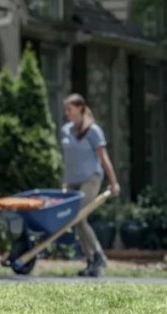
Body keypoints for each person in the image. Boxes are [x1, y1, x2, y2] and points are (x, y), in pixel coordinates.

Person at [61, 94, 120, 277]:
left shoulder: (94, 131)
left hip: (90, 178)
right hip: (72, 180)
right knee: (76, 220)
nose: (67, 113)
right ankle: (92, 260)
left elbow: (103, 157)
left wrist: (113, 181)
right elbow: (68, 158)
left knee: (80, 216)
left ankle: (97, 255)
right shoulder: (66, 130)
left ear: (80, 108)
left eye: (70, 109)